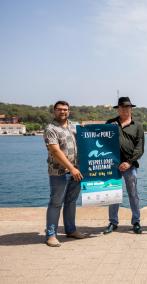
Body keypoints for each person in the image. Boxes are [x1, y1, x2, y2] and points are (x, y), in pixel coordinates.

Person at [44, 101, 87, 247]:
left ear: (69, 111)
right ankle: (51, 235)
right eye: (59, 109)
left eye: (65, 109)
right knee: (56, 203)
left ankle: (71, 230)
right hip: (59, 172)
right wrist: (71, 168)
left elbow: (88, 137)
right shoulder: (51, 129)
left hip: (76, 172)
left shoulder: (74, 126)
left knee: (71, 202)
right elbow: (55, 151)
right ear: (54, 111)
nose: (63, 112)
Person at [103, 97, 145, 234]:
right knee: (113, 194)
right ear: (118, 109)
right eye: (122, 107)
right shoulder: (110, 123)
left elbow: (140, 147)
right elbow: (101, 141)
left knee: (133, 194)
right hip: (113, 166)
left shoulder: (137, 125)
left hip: (130, 165)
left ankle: (136, 221)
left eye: (127, 107)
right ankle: (113, 222)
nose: (125, 109)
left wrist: (129, 162)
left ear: (131, 108)